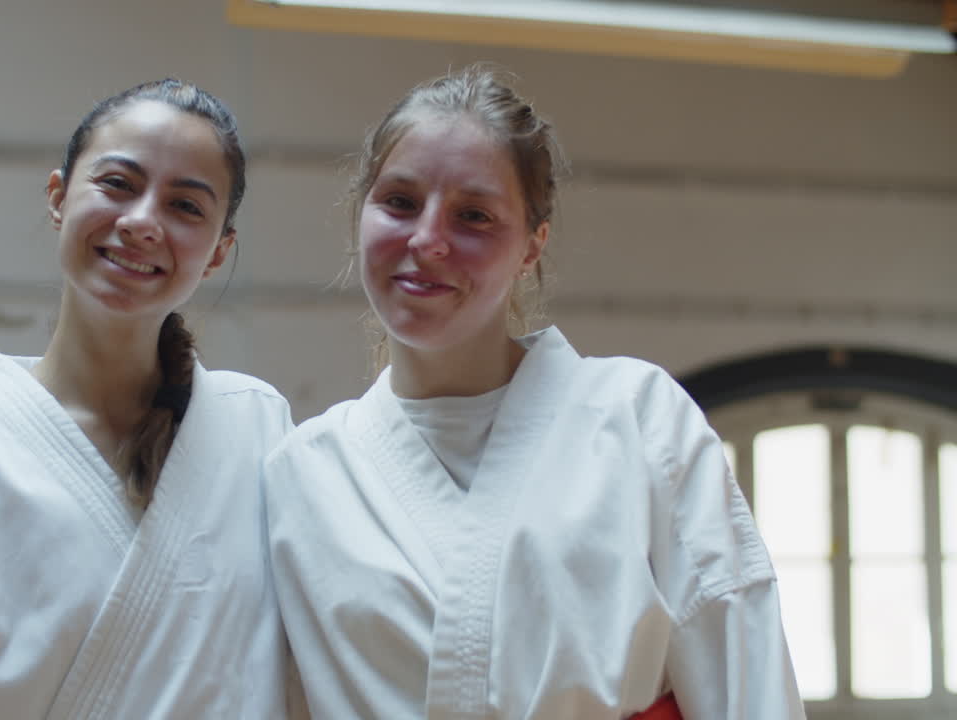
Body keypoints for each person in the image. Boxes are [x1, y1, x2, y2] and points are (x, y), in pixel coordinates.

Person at [263, 65, 805, 719]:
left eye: (474, 216)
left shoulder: (636, 418)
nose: (428, 240)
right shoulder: (302, 472)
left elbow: (743, 674)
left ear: (531, 246)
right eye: (399, 202)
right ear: (361, 213)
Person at [0, 79, 299, 719]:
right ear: (58, 197)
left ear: (219, 251)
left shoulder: (258, 428)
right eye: (118, 184)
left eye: (186, 206)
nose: (141, 222)